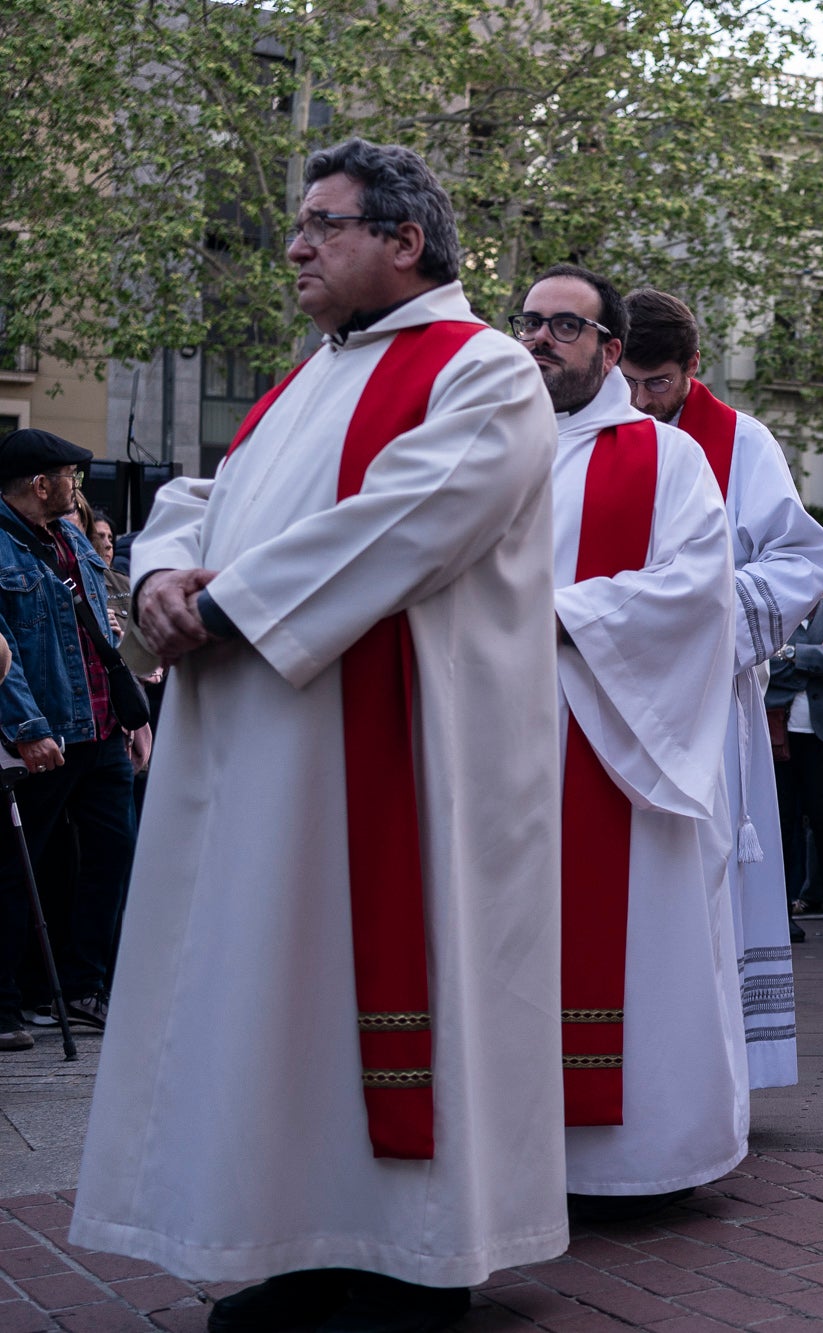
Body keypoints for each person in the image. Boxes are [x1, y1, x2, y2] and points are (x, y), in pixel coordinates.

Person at [70, 138, 569, 1332]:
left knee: (388, 981)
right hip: (267, 752)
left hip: (397, 759)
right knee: (273, 993)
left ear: (405, 240)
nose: (294, 245)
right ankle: (298, 1238)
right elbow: (201, 498)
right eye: (299, 224)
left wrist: (224, 599)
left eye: (322, 224)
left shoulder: (482, 370)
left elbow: (413, 518)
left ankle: (420, 1258)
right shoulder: (309, 379)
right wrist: (152, 582)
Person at [517, 265, 747, 1217]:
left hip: (617, 742)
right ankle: (514, 1154)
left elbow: (697, 590)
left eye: (563, 326)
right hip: (494, 747)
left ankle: (639, 1160)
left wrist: (555, 617)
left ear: (610, 350)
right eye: (527, 321)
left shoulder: (664, 458)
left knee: (634, 943)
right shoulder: (476, 446)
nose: (538, 339)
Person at [622, 288, 823, 1091]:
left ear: (693, 369)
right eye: (630, 382)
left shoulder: (743, 442)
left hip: (706, 694)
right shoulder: (576, 435)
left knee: (701, 869)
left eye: (660, 383)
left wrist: (693, 614)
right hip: (595, 686)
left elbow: (800, 558)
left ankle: (714, 1064)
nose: (642, 401)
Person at [0, 432, 150, 1052]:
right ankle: (7, 1000)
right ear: (41, 484)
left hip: (100, 727)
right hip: (47, 730)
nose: (76, 488)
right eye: (70, 476)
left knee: (112, 853)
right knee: (19, 866)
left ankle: (84, 986)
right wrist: (28, 728)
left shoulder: (69, 541)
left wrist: (133, 714)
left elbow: (101, 632)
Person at [766, 593, 823, 940]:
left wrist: (790, 652)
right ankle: (782, 912)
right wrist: (816, 654)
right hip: (780, 736)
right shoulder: (774, 609)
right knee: (781, 827)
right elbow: (765, 665)